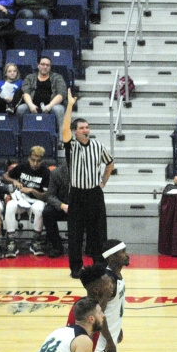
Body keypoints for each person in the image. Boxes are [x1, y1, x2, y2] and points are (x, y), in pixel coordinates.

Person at [62, 89, 113, 279]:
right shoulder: (72, 145)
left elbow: (110, 162)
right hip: (76, 194)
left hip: (94, 194)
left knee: (98, 232)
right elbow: (65, 128)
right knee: (75, 233)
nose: (86, 130)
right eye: (82, 128)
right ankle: (76, 268)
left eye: (87, 127)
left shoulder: (98, 145)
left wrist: (103, 182)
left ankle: (99, 266)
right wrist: (69, 105)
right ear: (75, 132)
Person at [1, 145, 49, 257]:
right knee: (10, 206)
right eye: (33, 160)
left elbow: (46, 197)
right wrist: (14, 181)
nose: (35, 164)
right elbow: (4, 177)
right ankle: (11, 242)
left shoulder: (46, 172)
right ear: (29, 158)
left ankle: (36, 241)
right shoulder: (22, 166)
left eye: (38, 161)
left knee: (39, 209)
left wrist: (32, 190)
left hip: (36, 200)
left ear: (42, 161)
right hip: (21, 199)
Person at [16, 56, 67, 135]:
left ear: (50, 67)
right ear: (38, 65)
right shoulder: (30, 77)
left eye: (47, 65)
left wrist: (49, 106)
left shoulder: (57, 77)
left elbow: (61, 94)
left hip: (52, 104)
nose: (45, 67)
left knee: (59, 110)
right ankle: (20, 136)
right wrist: (31, 105)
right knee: (21, 109)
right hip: (32, 104)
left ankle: (61, 139)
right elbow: (25, 93)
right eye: (43, 64)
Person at [41, 160, 69, 258]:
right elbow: (50, 195)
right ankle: (57, 246)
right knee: (47, 212)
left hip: (78, 205)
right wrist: (62, 205)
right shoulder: (56, 173)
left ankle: (88, 247)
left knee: (90, 209)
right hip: (61, 204)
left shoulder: (85, 172)